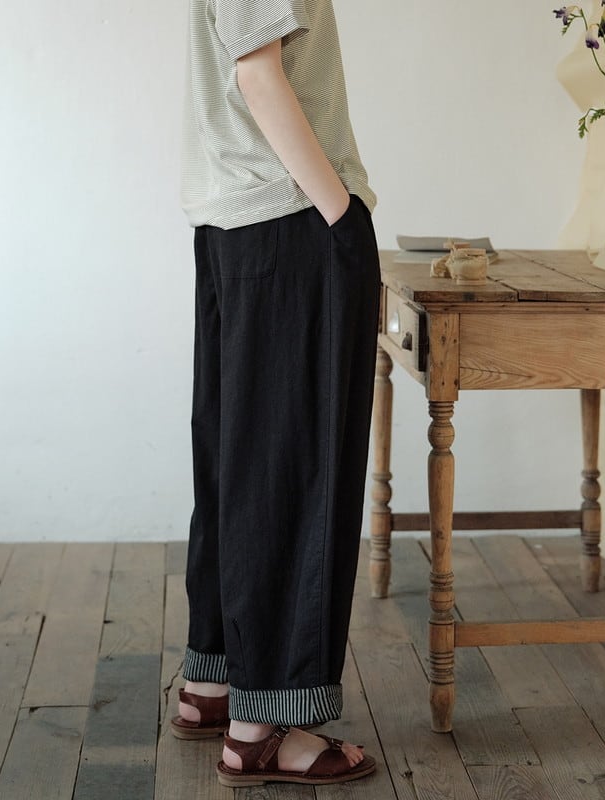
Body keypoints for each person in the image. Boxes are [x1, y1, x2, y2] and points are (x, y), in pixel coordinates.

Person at [174, 0, 381, 787]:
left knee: (239, 463)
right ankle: (262, 729)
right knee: (291, 473)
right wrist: (341, 214)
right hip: (289, 216)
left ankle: (215, 683)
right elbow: (259, 75)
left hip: (238, 218)